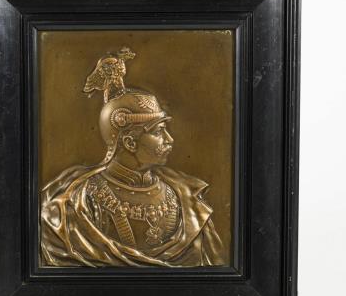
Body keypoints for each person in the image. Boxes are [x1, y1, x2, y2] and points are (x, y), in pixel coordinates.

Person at [40, 48, 228, 267]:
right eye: (158, 132)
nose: (170, 140)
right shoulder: (77, 203)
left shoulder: (186, 198)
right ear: (129, 142)